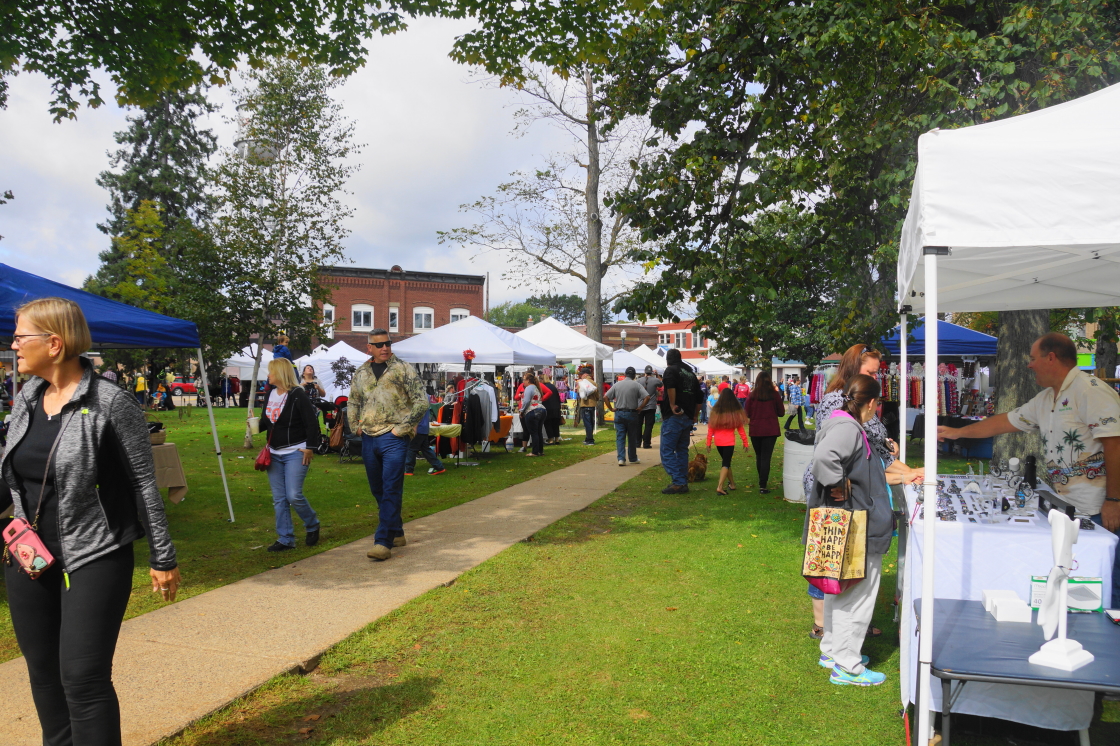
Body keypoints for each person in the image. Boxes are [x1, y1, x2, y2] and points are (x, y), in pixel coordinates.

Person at [0, 297, 180, 743]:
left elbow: (143, 482)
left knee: (82, 678)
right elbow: (14, 475)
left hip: (95, 553)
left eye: (21, 336)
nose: (14, 344)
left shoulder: (111, 403)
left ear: (55, 343)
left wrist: (163, 555)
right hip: (29, 555)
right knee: (43, 676)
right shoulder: (27, 397)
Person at [938, 332, 1120, 603]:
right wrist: (955, 433)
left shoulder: (1090, 391)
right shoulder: (1046, 398)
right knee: (1077, 585)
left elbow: (1115, 444)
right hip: (1066, 507)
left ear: (1051, 357)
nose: (1029, 365)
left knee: (1107, 587)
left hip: (1098, 510)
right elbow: (1003, 422)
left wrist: (1114, 500)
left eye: (1033, 358)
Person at [802, 344, 921, 639]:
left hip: (854, 484)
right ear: (854, 368)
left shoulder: (863, 401)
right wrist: (838, 484)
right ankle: (825, 626)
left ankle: (846, 626)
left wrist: (908, 472)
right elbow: (830, 454)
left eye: (877, 371)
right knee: (830, 553)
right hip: (836, 490)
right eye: (870, 371)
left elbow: (877, 448)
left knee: (848, 557)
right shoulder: (837, 403)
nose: (875, 376)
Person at [349, 329, 429, 561]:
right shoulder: (361, 372)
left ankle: (383, 542)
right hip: (368, 437)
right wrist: (355, 426)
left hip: (393, 438)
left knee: (391, 487)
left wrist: (401, 429)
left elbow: (421, 403)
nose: (385, 347)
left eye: (388, 343)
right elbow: (353, 400)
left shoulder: (403, 369)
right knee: (378, 490)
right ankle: (397, 531)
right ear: (369, 348)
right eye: (380, 344)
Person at [260, 359, 321, 552]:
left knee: (293, 495)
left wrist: (310, 447)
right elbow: (267, 422)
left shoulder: (297, 394)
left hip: (296, 451)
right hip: (274, 453)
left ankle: (312, 524)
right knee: (279, 498)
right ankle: (285, 539)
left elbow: (311, 422)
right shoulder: (270, 394)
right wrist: (254, 424)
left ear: (280, 373)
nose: (268, 376)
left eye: (271, 372)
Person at [659, 349, 701, 494]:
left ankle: (679, 481)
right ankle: (682, 481)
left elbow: (670, 386)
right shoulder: (690, 374)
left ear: (668, 360)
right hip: (687, 416)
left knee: (667, 451)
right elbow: (699, 398)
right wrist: (695, 415)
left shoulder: (671, 371)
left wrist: (671, 404)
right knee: (682, 450)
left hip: (675, 415)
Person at [744, 371, 787, 494]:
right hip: (770, 429)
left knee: (759, 456)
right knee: (766, 457)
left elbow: (747, 412)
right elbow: (781, 412)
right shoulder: (774, 395)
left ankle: (762, 482)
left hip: (756, 428)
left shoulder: (752, 395)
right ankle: (763, 484)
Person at [604, 366, 650, 467]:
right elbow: (647, 397)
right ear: (634, 375)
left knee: (620, 436)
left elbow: (606, 397)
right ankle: (632, 458)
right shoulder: (637, 385)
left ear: (625, 375)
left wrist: (611, 409)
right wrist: (641, 407)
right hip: (632, 413)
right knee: (632, 436)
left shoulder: (617, 385)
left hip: (619, 412)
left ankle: (621, 458)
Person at [706, 388, 748, 494]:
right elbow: (740, 429)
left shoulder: (716, 411)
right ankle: (720, 486)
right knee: (725, 463)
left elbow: (711, 428)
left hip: (718, 442)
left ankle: (732, 484)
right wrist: (745, 442)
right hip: (729, 442)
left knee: (727, 463)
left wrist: (708, 442)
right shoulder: (734, 412)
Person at [404, 409, 447, 476]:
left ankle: (408, 470)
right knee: (426, 449)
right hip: (424, 428)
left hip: (418, 428)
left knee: (411, 449)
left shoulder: (418, 399)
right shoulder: (426, 398)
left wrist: (413, 429)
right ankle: (439, 467)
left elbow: (415, 415)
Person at [519, 371, 548, 457]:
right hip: (542, 409)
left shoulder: (529, 388)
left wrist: (522, 410)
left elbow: (526, 401)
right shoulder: (536, 388)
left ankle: (535, 452)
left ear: (528, 380)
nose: (523, 382)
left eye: (524, 380)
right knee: (539, 432)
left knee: (534, 432)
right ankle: (540, 450)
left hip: (532, 410)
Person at [638, 366, 661, 449]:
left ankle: (637, 442)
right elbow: (661, 383)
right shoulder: (655, 380)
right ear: (652, 372)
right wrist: (657, 374)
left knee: (638, 424)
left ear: (644, 371)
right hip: (651, 405)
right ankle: (646, 443)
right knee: (649, 425)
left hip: (640, 405)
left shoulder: (639, 380)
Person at [575, 371, 599, 446]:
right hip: (592, 404)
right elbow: (597, 395)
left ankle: (590, 440)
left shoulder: (582, 383)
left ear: (584, 374)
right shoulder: (594, 383)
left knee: (587, 423)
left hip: (585, 404)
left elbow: (579, 392)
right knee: (591, 422)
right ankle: (588, 438)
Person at [540, 372, 563, 445]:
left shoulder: (543, 387)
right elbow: (558, 397)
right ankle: (557, 439)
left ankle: (551, 439)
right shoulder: (553, 386)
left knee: (548, 424)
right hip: (556, 407)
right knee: (555, 424)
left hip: (547, 407)